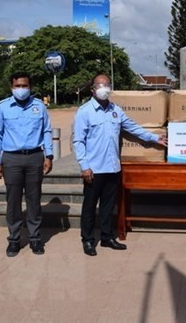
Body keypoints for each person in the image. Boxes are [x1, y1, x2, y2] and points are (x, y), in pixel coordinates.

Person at [72, 74, 167, 256]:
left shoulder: (116, 110)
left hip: (112, 167)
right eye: (100, 85)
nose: (104, 88)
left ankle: (107, 237)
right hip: (93, 169)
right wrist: (84, 166)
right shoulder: (84, 112)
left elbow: (132, 127)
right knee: (90, 206)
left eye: (107, 84)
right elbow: (78, 141)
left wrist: (155, 138)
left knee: (108, 206)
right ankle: (88, 240)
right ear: (92, 89)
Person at [0, 71, 53, 257]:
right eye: (17, 86)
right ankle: (14, 239)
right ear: (11, 87)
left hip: (35, 157)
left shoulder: (39, 106)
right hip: (11, 159)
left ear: (30, 87)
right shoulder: (3, 107)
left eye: (25, 86)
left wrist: (49, 155)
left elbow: (47, 131)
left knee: (34, 200)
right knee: (13, 201)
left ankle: (35, 238)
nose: (21, 89)